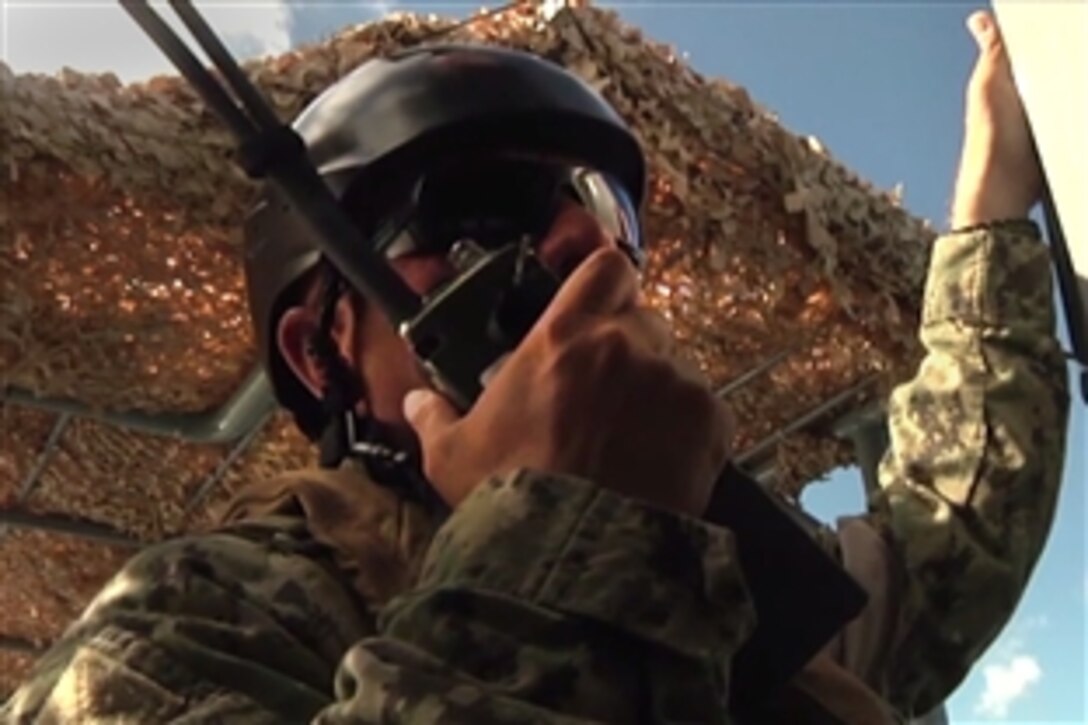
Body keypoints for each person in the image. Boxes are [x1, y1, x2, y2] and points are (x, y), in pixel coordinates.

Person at [2, 10, 1069, 724]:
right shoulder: (205, 611)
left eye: (597, 213)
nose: (577, 248)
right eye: (483, 210)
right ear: (317, 345)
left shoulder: (716, 568)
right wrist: (563, 541)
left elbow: (940, 552)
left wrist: (987, 205)